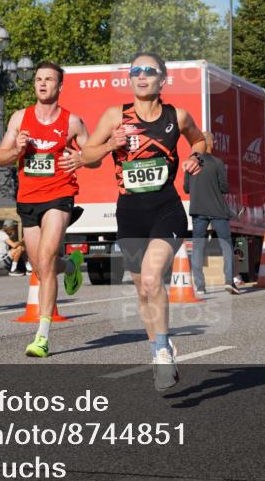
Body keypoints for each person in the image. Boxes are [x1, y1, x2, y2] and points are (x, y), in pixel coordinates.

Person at [82, 52, 205, 391]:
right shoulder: (115, 116)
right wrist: (110, 144)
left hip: (167, 209)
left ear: (162, 79)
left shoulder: (176, 116)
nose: (141, 75)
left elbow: (199, 138)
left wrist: (196, 156)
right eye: (135, 70)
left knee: (152, 279)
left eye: (149, 71)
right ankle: (158, 348)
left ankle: (163, 350)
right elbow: (88, 157)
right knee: (142, 289)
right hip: (130, 213)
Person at [0, 61, 90, 358]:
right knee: (40, 267)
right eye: (38, 79)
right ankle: (71, 266)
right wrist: (17, 149)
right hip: (28, 198)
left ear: (59, 86)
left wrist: (80, 159)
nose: (42, 83)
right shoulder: (19, 118)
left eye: (49, 79)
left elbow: (94, 155)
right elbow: (0, 157)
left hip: (59, 195)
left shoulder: (72, 121)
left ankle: (42, 336)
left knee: (47, 258)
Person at [183, 131, 242, 296]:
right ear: (210, 143)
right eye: (213, 141)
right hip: (217, 210)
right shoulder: (217, 162)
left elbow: (186, 188)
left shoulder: (190, 164)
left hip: (198, 210)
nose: (214, 144)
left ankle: (200, 286)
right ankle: (229, 281)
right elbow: (224, 187)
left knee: (198, 246)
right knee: (226, 244)